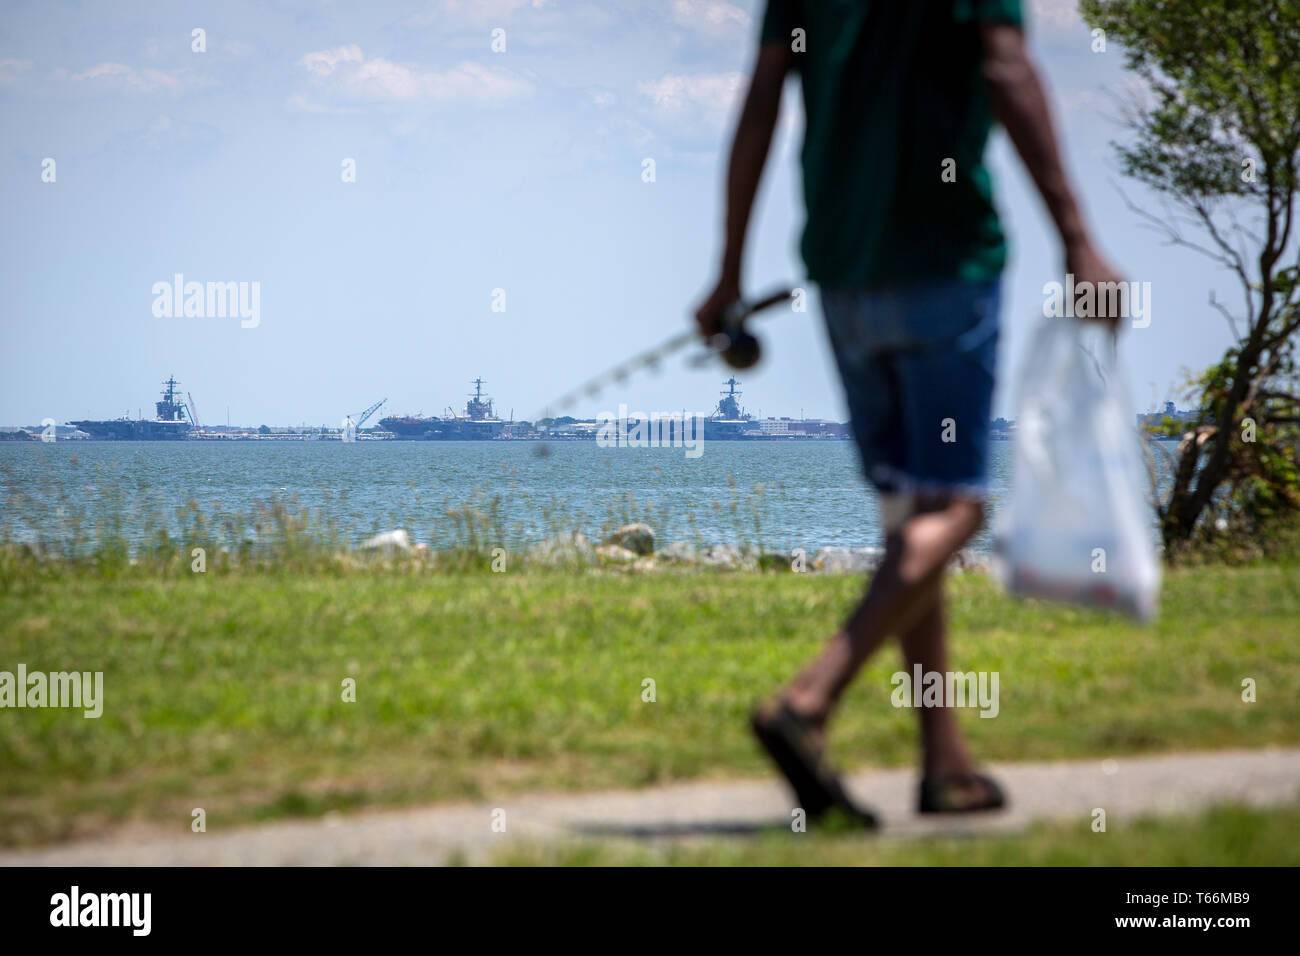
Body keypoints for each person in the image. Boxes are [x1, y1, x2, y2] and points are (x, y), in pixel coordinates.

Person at [695, 0, 1122, 823]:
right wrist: (1076, 236)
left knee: (912, 516)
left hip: (843, 269)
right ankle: (810, 700)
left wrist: (726, 273)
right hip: (944, 257)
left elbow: (760, 100)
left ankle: (944, 761)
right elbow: (1006, 66)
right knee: (956, 506)